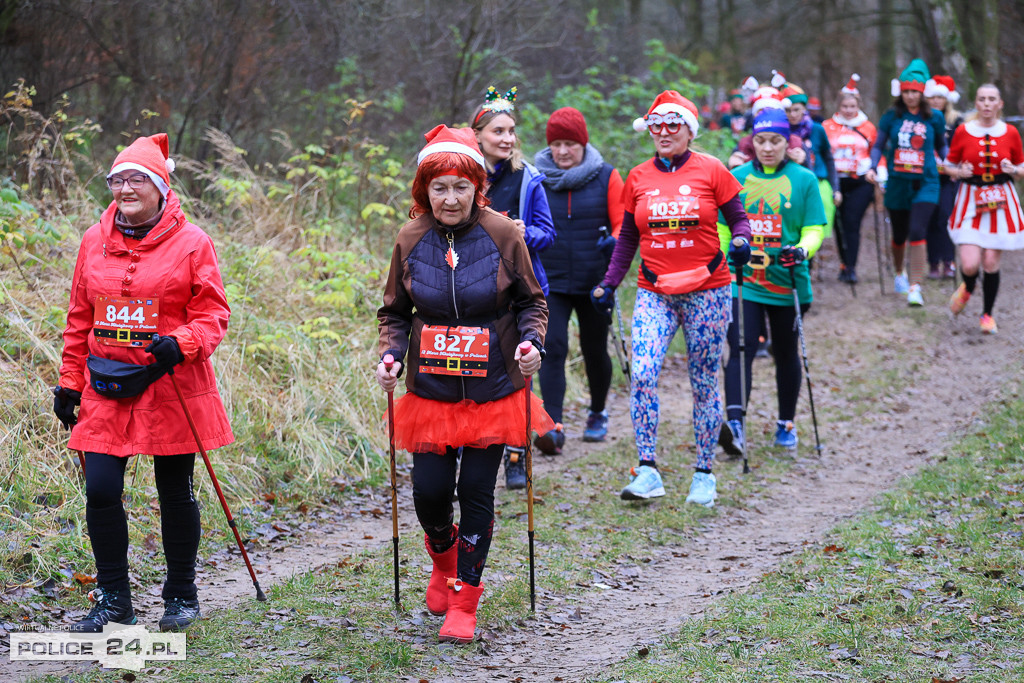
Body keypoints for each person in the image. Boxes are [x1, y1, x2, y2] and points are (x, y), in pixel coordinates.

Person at [376, 124, 552, 643]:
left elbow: (531, 302)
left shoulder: (504, 234)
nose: (450, 198)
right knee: (430, 494)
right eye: (439, 188)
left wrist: (531, 345)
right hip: (431, 391)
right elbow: (394, 312)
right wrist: (390, 354)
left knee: (476, 490)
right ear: (423, 191)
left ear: (477, 187)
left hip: (493, 388)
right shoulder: (409, 238)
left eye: (460, 187)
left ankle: (465, 601)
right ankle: (443, 558)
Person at [52, 134, 232, 633]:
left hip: (169, 383)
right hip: (106, 385)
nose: (125, 189)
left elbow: (214, 313)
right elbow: (78, 317)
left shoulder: (193, 242)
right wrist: (69, 382)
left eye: (137, 179)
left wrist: (184, 341)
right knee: (101, 488)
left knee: (174, 489)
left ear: (160, 186)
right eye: (117, 180)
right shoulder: (93, 239)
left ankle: (181, 593)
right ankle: (114, 600)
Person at [592, 90, 751, 507]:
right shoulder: (638, 176)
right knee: (643, 373)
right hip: (655, 291)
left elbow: (739, 219)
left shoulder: (712, 169)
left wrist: (740, 241)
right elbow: (628, 238)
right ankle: (647, 470)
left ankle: (704, 474)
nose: (662, 133)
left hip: (708, 290)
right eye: (655, 126)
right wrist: (609, 283)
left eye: (671, 125)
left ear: (688, 130)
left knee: (703, 381)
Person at [719, 108, 827, 454]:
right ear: (751, 140)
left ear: (788, 141)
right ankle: (734, 424)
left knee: (785, 352)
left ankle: (786, 422)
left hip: (788, 281)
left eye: (775, 141)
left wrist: (802, 249)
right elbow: (723, 227)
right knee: (740, 346)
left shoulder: (805, 179)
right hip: (744, 280)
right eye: (760, 140)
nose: (767, 147)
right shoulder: (735, 177)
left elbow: (814, 228)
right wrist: (727, 255)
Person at [470, 86, 556, 489]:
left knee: (521, 372)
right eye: (498, 131)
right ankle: (472, 448)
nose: (506, 139)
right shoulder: (462, 178)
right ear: (479, 135)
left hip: (520, 290)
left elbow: (548, 234)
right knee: (473, 373)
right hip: (471, 289)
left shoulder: (528, 179)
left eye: (511, 131)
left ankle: (517, 456)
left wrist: (524, 234)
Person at [533, 107, 625, 454]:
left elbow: (622, 225)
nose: (563, 151)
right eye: (556, 143)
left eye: (570, 143)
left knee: (594, 348)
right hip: (551, 280)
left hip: (595, 280)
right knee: (552, 348)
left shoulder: (606, 176)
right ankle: (552, 424)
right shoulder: (536, 176)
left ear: (583, 143)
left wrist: (612, 247)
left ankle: (598, 412)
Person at [866, 59, 947, 306]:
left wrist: (950, 161)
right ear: (900, 91)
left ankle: (915, 286)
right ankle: (900, 272)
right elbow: (878, 145)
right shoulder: (891, 116)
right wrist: (872, 167)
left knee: (917, 231)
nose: (911, 96)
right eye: (907, 91)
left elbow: (942, 145)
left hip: (927, 182)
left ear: (923, 92)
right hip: (898, 183)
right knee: (899, 235)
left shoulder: (935, 117)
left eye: (915, 91)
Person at [945, 84, 1024, 334]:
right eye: (982, 99)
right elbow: (948, 165)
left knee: (990, 261)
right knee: (970, 264)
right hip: (970, 198)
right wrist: (959, 172)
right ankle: (967, 287)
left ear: (1000, 104)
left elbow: (1022, 168)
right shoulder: (963, 131)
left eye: (992, 99)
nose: (987, 104)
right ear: (976, 104)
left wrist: (1013, 170)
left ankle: (987, 314)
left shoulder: (1011, 132)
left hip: (1001, 199)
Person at [822, 74, 881, 284]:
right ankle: (843, 262)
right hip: (835, 182)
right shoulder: (827, 126)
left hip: (860, 182)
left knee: (851, 222)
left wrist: (877, 171)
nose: (848, 110)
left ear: (858, 105)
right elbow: (821, 153)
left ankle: (851, 267)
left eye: (852, 105)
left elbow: (878, 152)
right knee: (838, 225)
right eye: (845, 106)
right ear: (839, 106)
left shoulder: (868, 127)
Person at [776, 73, 839, 246]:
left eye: (796, 109)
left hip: (816, 182)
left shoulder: (817, 130)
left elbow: (828, 159)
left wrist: (835, 188)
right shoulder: (778, 132)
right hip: (787, 185)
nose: (792, 114)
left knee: (812, 227)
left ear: (804, 109)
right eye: (787, 110)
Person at [925, 75, 963, 280]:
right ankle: (933, 263)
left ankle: (949, 262)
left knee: (945, 219)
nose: (936, 101)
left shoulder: (956, 121)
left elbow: (962, 147)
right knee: (930, 219)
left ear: (946, 99)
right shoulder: (924, 118)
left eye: (940, 97)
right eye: (933, 97)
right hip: (927, 177)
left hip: (950, 178)